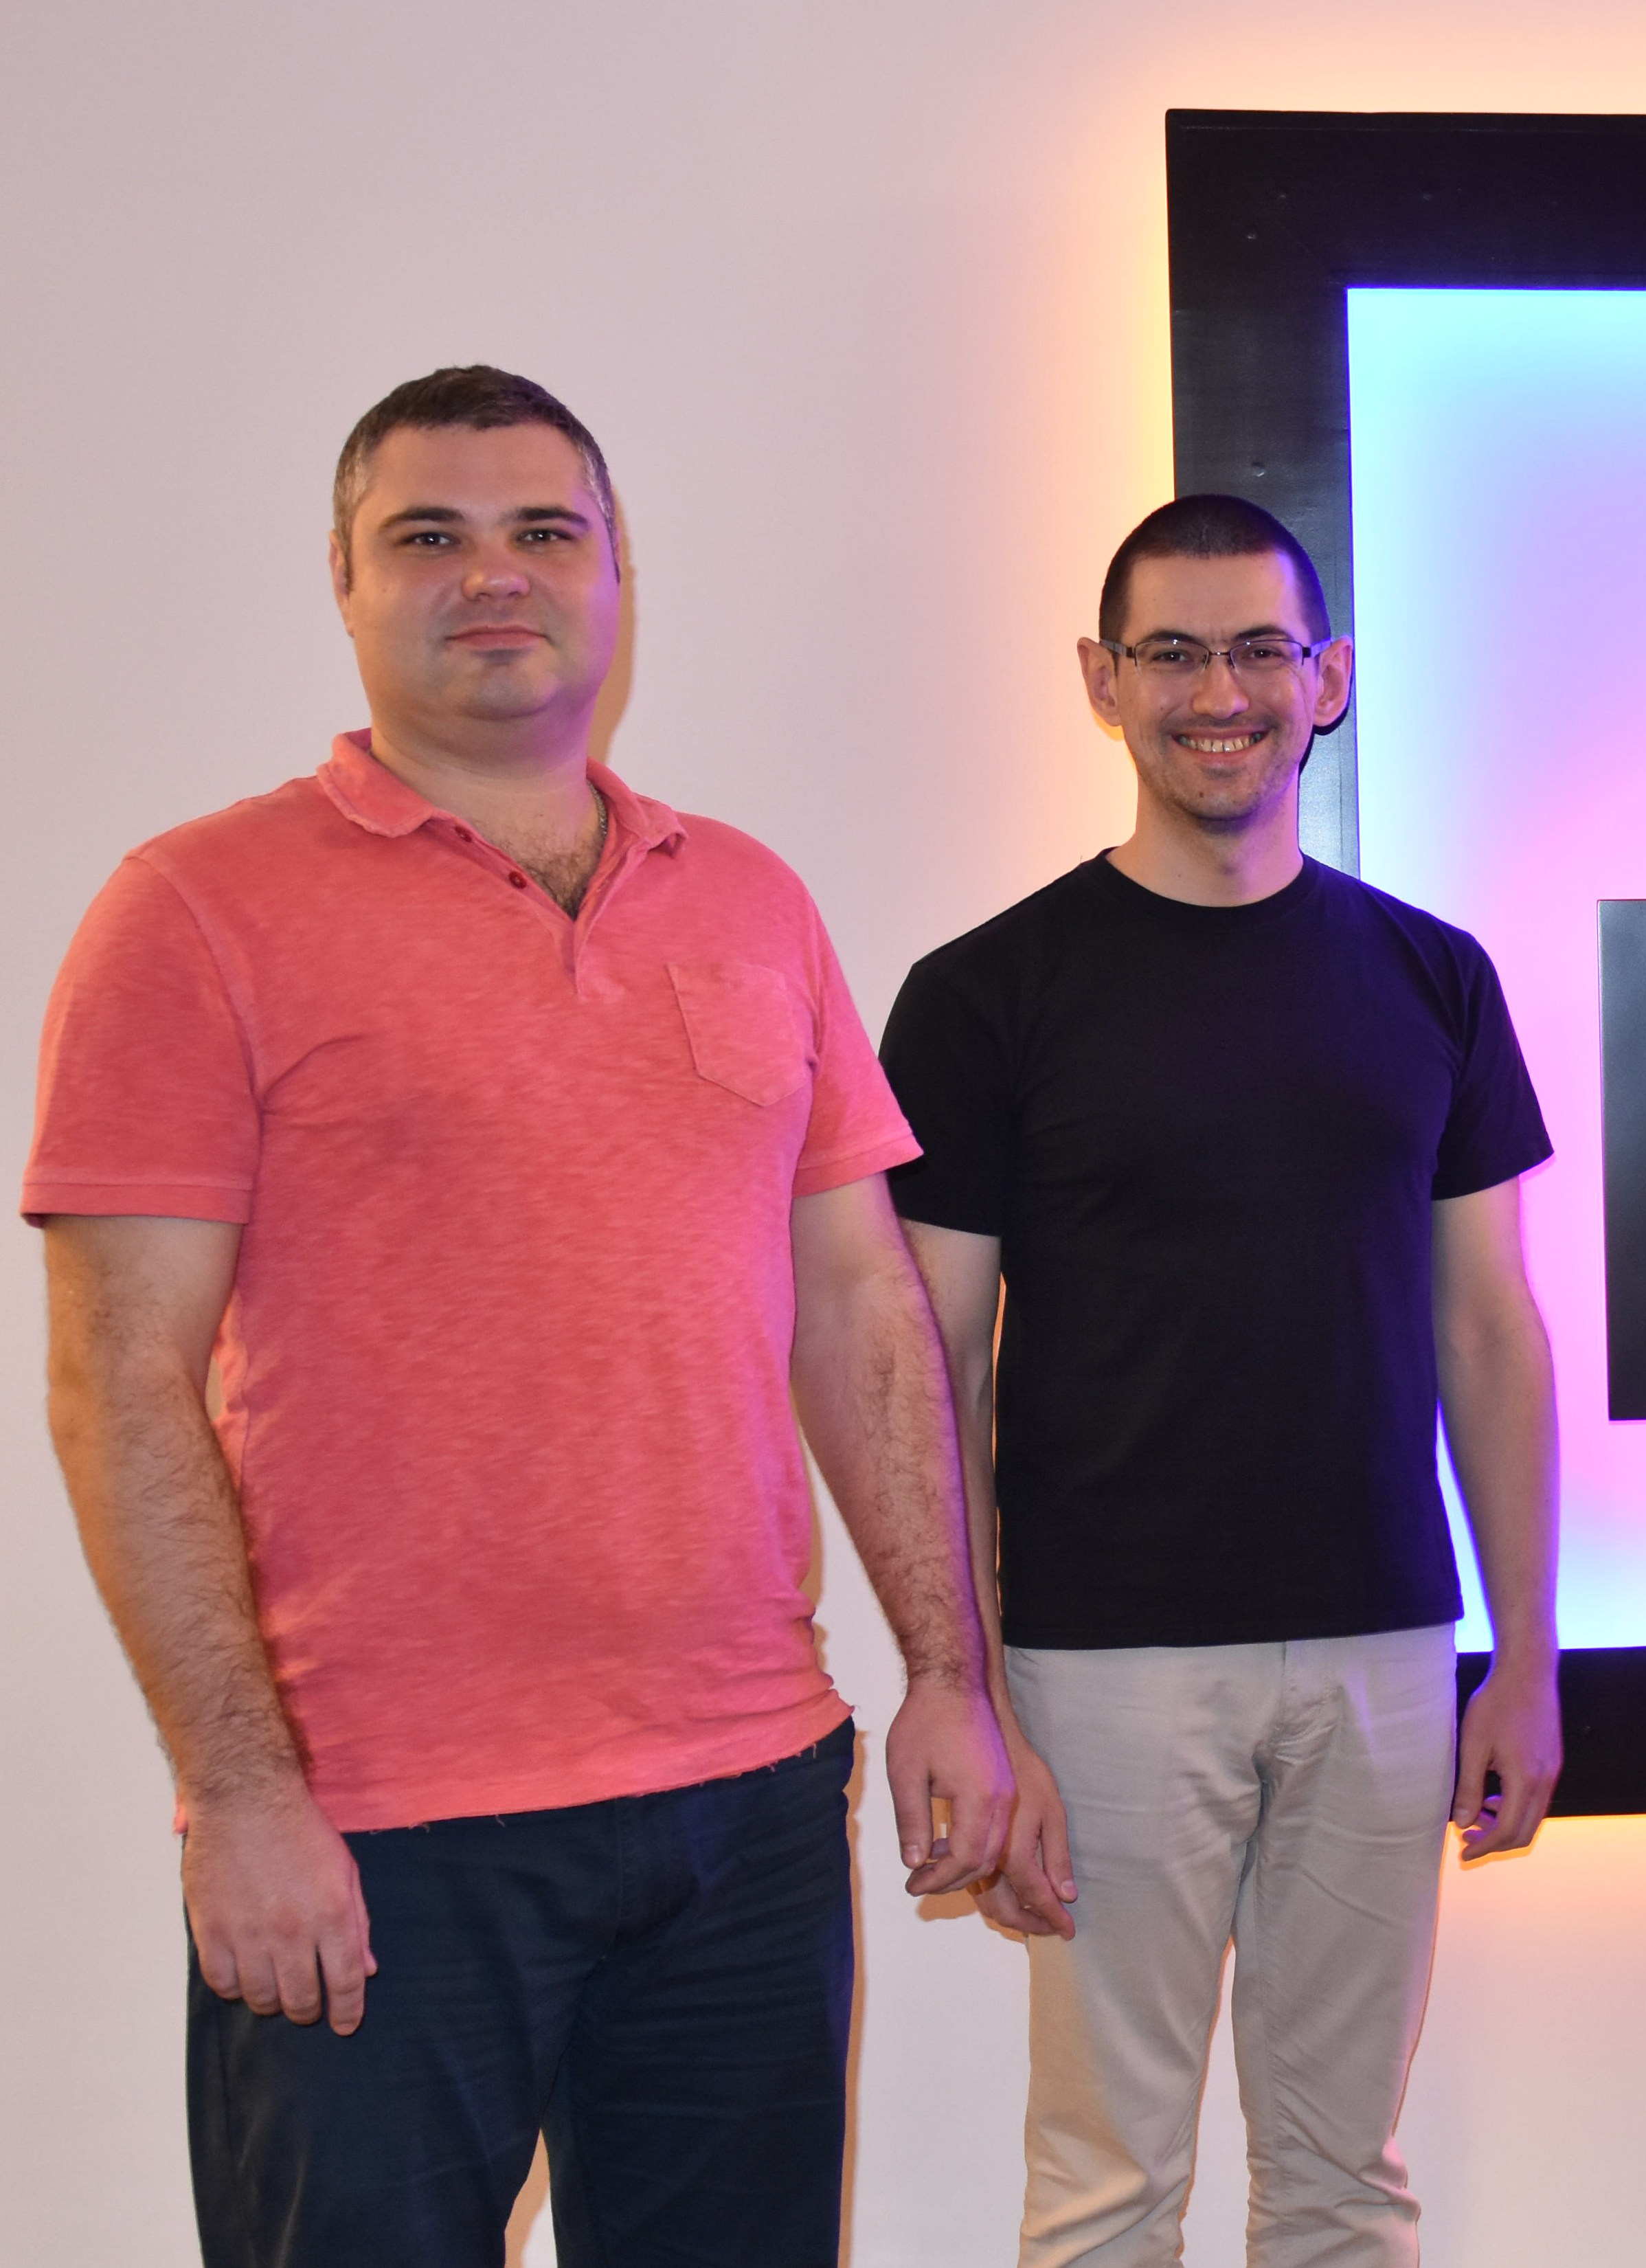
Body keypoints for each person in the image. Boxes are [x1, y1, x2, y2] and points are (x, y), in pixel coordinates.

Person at [26, 365, 1015, 2268]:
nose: (496, 574)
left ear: (618, 570)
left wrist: (946, 1675)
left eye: (544, 530)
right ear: (343, 579)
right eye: (431, 535)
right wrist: (239, 1795)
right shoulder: (194, 910)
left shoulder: (751, 899)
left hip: (746, 1799)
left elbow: (862, 1312)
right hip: (376, 1830)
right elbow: (114, 1379)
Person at [878, 494, 1564, 2267]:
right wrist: (971, 1687)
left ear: (1328, 679)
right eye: (1171, 652)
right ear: (1100, 680)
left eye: (1260, 650)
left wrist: (1527, 1657)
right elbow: (932, 1368)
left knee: (1347, 2184)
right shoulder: (983, 995)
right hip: (1102, 1664)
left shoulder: (1436, 978)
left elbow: (1492, 1331)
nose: (1219, 692)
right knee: (1108, 2187)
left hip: (1386, 1649)